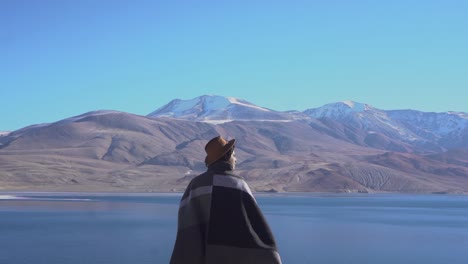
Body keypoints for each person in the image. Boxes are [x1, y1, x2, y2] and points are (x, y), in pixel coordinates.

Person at [170, 136, 282, 264]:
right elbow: (255, 226)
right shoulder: (237, 184)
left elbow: (187, 228)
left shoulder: (195, 185)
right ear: (227, 157)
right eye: (233, 155)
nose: (235, 159)